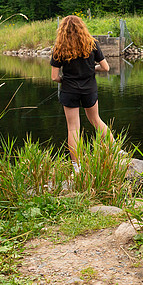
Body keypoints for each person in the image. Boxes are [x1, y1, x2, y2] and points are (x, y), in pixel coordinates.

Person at [50, 15, 111, 172]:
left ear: (62, 31)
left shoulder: (59, 48)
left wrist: (65, 80)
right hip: (89, 89)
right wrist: (92, 69)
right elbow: (106, 68)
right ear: (82, 27)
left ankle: (77, 168)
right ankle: (116, 151)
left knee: (73, 129)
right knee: (96, 120)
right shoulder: (92, 44)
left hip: (69, 91)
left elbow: (54, 77)